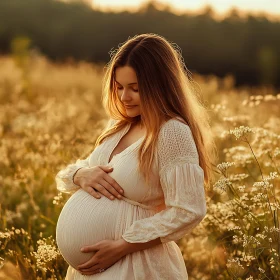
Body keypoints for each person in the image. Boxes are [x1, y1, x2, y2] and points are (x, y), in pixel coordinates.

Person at [55, 33, 217, 279]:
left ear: (159, 86)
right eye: (119, 87)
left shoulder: (172, 132)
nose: (123, 97)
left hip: (135, 266)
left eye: (135, 89)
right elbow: (83, 170)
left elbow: (188, 209)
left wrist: (123, 245)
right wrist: (80, 174)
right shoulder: (120, 125)